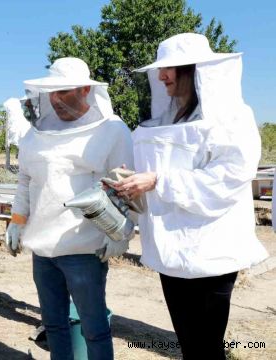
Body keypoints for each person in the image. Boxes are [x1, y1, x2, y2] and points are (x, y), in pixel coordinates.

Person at [112, 33, 269, 359]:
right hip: (169, 253)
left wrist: (157, 181)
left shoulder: (233, 117)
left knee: (206, 349)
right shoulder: (162, 120)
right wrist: (127, 184)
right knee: (189, 345)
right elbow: (150, 175)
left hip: (212, 252)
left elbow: (230, 177)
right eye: (160, 70)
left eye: (170, 68)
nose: (161, 76)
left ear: (195, 70)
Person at [5, 57, 133, 360]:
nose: (56, 99)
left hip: (84, 249)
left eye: (64, 92)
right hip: (43, 249)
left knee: (94, 328)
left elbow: (126, 185)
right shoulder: (35, 134)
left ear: (86, 90)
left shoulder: (112, 130)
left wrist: (121, 234)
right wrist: (16, 220)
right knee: (54, 326)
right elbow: (26, 181)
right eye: (52, 92)